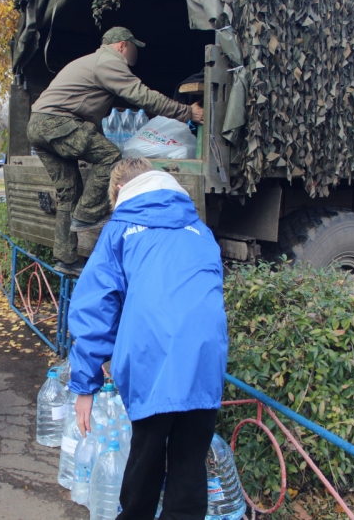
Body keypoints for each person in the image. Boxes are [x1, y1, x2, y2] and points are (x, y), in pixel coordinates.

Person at [67, 158, 228, 520]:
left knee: (145, 461)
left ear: (119, 190)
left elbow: (96, 307)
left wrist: (84, 386)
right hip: (206, 357)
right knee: (189, 467)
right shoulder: (199, 229)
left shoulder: (120, 229)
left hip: (152, 356)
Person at [27, 27, 204, 276]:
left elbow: (88, 121)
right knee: (111, 156)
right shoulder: (109, 62)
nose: (135, 55)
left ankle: (66, 259)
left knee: (68, 192)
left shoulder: (91, 62)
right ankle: (87, 214)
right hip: (56, 123)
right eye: (133, 48)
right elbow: (143, 96)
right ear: (122, 45)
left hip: (38, 125)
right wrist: (187, 112)